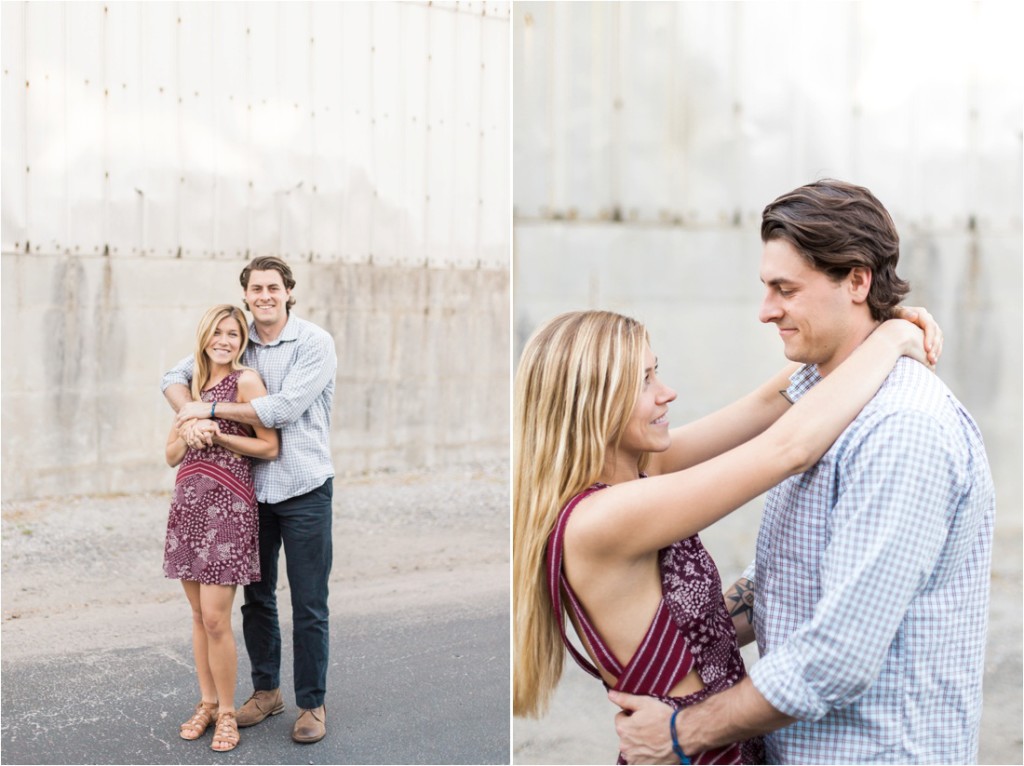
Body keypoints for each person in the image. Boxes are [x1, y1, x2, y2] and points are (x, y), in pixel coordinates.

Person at [612, 180, 995, 764]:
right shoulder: (825, 402)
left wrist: (683, 732)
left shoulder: (903, 429)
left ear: (857, 282)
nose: (766, 311)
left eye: (784, 289)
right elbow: (790, 580)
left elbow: (836, 656)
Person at [513, 301, 940, 763]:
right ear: (592, 403)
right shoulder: (603, 519)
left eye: (657, 372)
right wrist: (892, 339)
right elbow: (787, 449)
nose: (667, 393)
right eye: (644, 382)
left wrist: (856, 326)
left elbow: (765, 405)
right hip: (688, 752)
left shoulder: (639, 472)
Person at [162, 255, 337, 744]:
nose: (264, 295)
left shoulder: (313, 343)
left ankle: (312, 703)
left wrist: (209, 412)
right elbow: (174, 379)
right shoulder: (237, 337)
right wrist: (191, 417)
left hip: (303, 487)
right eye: (256, 288)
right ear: (246, 295)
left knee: (308, 603)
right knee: (256, 602)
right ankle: (265, 692)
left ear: (287, 292)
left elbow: (281, 410)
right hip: (250, 496)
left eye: (273, 288)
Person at [164, 304, 279, 753]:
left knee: (216, 618)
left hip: (228, 511)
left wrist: (215, 429)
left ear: (241, 340)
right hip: (188, 508)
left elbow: (268, 446)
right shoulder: (192, 385)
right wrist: (189, 427)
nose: (225, 341)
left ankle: (229, 712)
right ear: (205, 337)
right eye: (218, 333)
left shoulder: (246, 382)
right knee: (197, 616)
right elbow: (171, 455)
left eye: (233, 334)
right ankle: (207, 702)